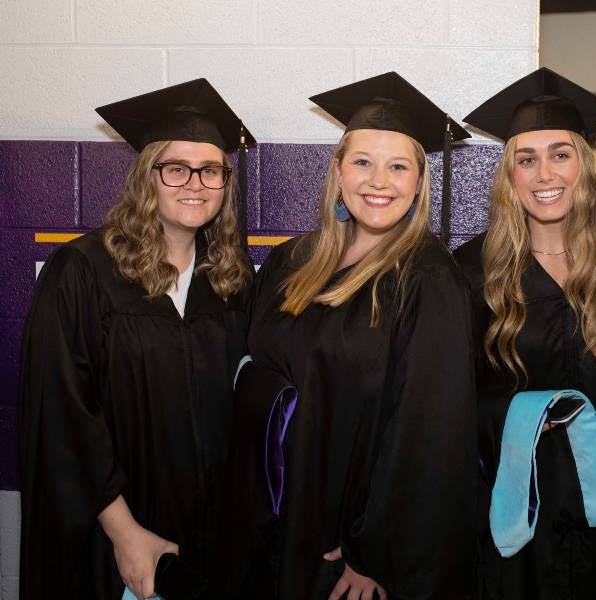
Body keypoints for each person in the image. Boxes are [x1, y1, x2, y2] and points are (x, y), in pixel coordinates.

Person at [225, 72, 477, 599]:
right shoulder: (291, 261)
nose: (378, 180)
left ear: (417, 183)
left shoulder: (427, 278)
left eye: (398, 166)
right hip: (276, 518)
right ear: (337, 172)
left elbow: (427, 430)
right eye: (362, 161)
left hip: (348, 550)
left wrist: (374, 549)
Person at [18, 79, 255, 599]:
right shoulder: (81, 272)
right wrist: (124, 533)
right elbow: (62, 414)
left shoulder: (230, 280)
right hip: (113, 535)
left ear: (225, 183)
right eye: (176, 168)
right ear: (146, 175)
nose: (194, 183)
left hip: (209, 538)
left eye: (210, 170)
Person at [454, 67, 596, 599]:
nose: (544, 173)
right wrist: (514, 419)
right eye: (526, 159)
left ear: (584, 165)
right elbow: (448, 399)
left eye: (560, 154)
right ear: (510, 176)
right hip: (512, 510)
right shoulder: (470, 270)